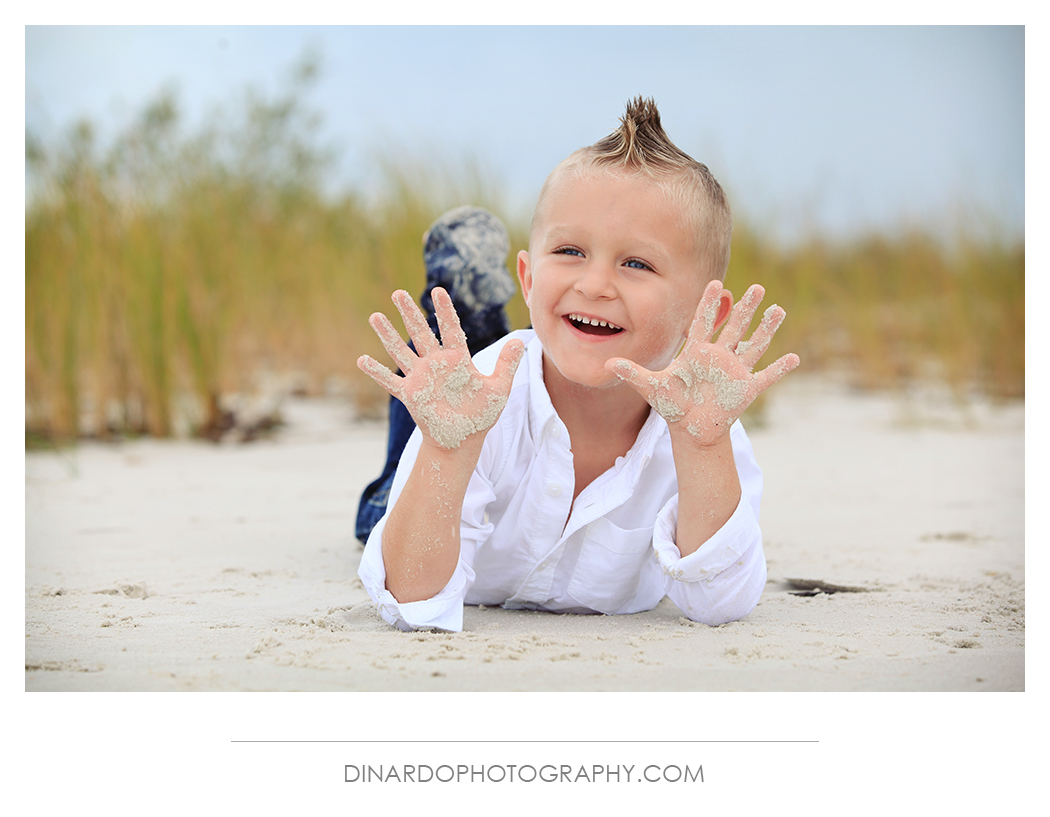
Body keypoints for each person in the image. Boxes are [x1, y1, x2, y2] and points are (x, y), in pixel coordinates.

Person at [356, 97, 800, 632]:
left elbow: (719, 604)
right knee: (435, 412)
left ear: (704, 310)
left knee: (468, 380)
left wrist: (702, 449)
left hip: (526, 370)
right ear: (527, 276)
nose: (594, 284)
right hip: (451, 450)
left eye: (636, 263)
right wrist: (447, 452)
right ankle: (459, 303)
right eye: (568, 251)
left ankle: (480, 317)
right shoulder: (480, 410)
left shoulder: (704, 427)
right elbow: (410, 600)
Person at [355, 206, 517, 544]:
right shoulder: (514, 345)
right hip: (463, 495)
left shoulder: (438, 350)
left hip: (445, 490)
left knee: (394, 488)